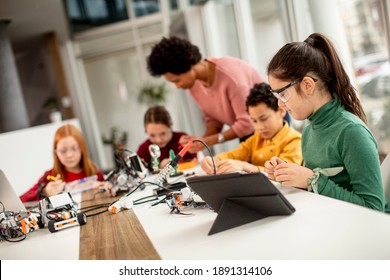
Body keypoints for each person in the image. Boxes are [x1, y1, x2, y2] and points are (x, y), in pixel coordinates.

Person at [264, 32, 387, 212]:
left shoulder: (352, 132)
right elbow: (318, 190)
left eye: (282, 94)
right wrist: (288, 174)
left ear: (308, 85)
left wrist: (312, 180)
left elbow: (374, 208)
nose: (279, 104)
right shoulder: (309, 131)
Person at [146, 36, 264, 154]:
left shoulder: (231, 76)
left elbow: (248, 123)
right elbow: (213, 120)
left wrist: (209, 141)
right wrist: (201, 141)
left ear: (189, 66)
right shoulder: (195, 85)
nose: (177, 86)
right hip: (249, 138)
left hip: (270, 131)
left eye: (177, 80)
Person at [201, 82, 302, 174]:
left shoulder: (294, 140)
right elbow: (235, 154)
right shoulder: (256, 138)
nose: (259, 127)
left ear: (281, 111)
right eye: (254, 121)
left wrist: (246, 166)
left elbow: (284, 173)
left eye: (264, 118)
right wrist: (214, 160)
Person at [20, 124, 106, 202]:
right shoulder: (49, 176)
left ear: (82, 148)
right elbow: (22, 200)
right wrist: (44, 192)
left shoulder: (94, 172)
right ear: (56, 152)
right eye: (63, 151)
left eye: (74, 148)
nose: (69, 155)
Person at [137, 105, 197, 171]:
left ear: (170, 125)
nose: (158, 140)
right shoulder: (144, 149)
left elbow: (194, 161)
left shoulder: (182, 140)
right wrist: (158, 168)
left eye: (163, 133)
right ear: (146, 131)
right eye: (152, 135)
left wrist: (177, 163)